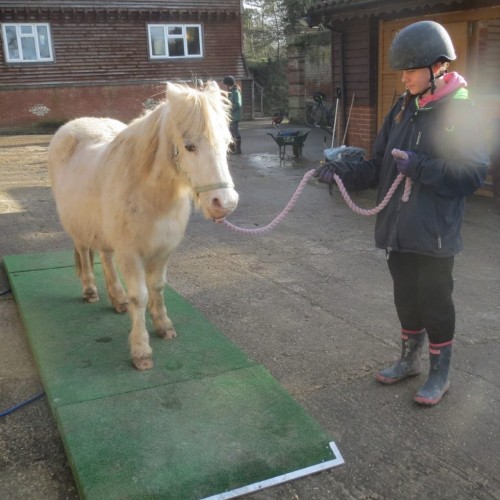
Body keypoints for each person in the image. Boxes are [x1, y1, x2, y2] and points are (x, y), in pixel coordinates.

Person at [315, 20, 489, 406]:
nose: (404, 77)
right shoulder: (402, 108)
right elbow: (381, 166)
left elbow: (472, 174)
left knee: (435, 302)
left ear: (437, 67)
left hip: (434, 232)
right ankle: (409, 361)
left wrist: (421, 167)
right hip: (398, 228)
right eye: (403, 70)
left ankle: (440, 373)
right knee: (406, 298)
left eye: (411, 69)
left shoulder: (462, 112)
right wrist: (341, 172)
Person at [223, 75, 242, 154]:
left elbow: (238, 104)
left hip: (234, 116)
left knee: (235, 132)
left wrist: (228, 107)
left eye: (225, 84)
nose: (225, 86)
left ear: (228, 84)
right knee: (230, 132)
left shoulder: (236, 92)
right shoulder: (230, 93)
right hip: (230, 116)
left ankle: (238, 149)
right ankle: (232, 149)